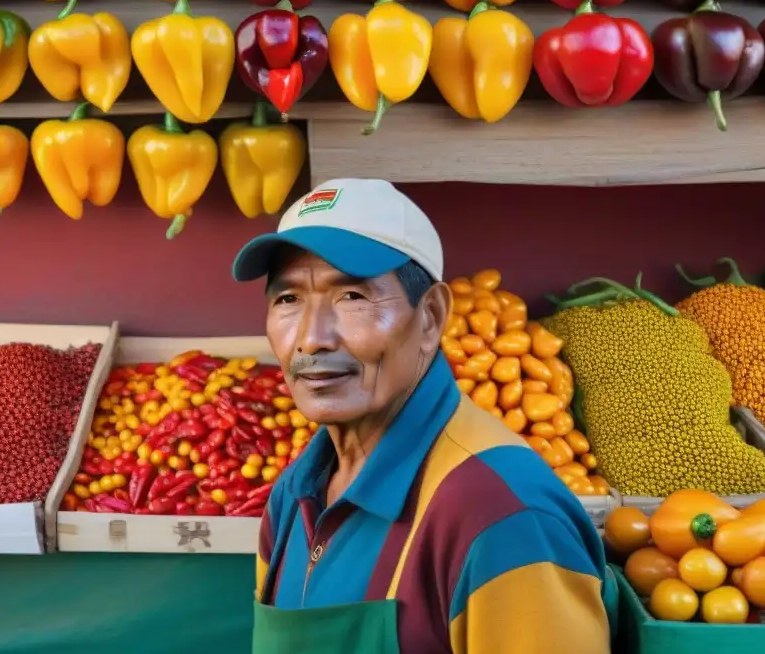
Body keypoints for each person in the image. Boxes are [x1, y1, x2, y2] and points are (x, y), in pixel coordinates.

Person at [232, 178, 614, 654]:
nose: (311, 339)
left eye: (352, 297)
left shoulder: (505, 517)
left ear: (431, 316)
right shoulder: (296, 493)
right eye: (287, 300)